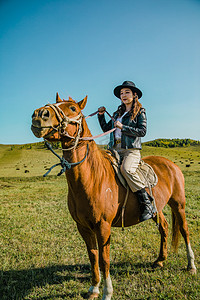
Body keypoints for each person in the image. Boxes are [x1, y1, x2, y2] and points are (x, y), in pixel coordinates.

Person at [98, 80, 156, 222]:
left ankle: (147, 203)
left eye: (127, 92)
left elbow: (142, 131)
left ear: (134, 95)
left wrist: (123, 127)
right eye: (121, 93)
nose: (123, 95)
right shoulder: (117, 113)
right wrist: (101, 116)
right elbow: (107, 129)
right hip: (114, 149)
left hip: (131, 150)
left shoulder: (140, 111)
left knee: (126, 170)